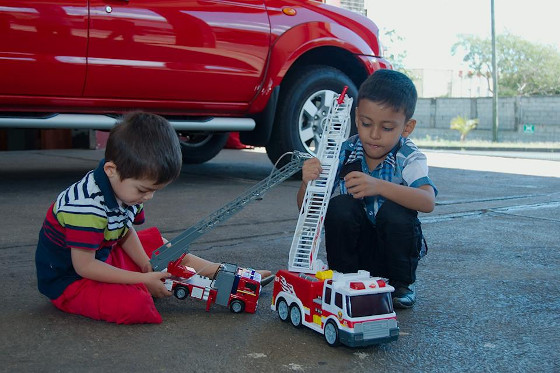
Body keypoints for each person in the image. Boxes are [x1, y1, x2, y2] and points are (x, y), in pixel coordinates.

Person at [35, 112, 271, 324]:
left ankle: (227, 274)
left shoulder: (125, 190)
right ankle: (146, 284)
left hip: (101, 252)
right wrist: (141, 278)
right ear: (111, 170)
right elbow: (84, 266)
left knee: (164, 250)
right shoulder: (86, 206)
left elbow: (125, 230)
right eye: (143, 190)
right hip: (71, 280)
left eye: (155, 190)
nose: (148, 197)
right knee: (136, 306)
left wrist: (145, 263)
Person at [298, 70, 437, 309]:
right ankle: (343, 278)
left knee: (396, 212)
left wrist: (380, 187)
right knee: (341, 205)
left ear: (406, 127)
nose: (373, 135)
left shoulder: (409, 157)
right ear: (357, 116)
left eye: (387, 128)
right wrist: (306, 183)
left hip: (393, 253)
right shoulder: (344, 151)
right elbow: (306, 208)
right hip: (355, 252)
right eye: (366, 123)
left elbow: (427, 201)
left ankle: (401, 285)